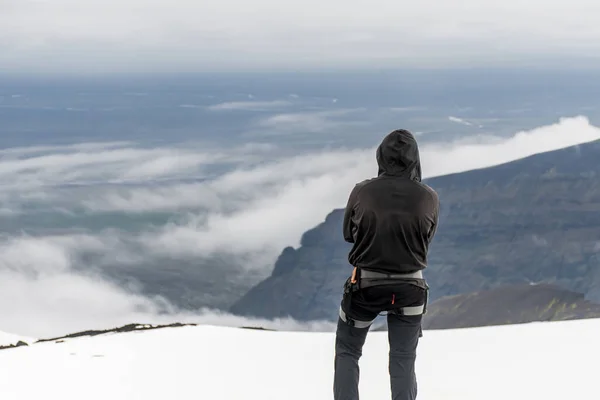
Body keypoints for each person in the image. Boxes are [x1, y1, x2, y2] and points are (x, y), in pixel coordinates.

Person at [334, 129, 439, 400]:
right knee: (403, 359)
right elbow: (426, 239)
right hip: (411, 288)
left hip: (365, 287)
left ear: (380, 156)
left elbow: (348, 234)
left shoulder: (362, 191)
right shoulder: (428, 197)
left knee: (348, 352)